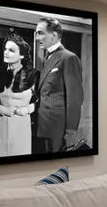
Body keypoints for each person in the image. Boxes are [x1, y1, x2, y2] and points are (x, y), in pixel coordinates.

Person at [33, 17, 85, 153]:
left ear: (54, 35)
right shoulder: (47, 57)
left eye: (41, 33)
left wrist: (70, 133)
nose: (37, 38)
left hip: (58, 130)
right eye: (37, 33)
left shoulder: (68, 58)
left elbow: (75, 99)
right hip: (44, 126)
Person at [0, 34, 36, 157]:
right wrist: (2, 109)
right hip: (1, 122)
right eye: (5, 49)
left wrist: (27, 109)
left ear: (22, 55)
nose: (6, 53)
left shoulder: (32, 76)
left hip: (22, 124)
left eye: (11, 50)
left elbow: (42, 101)